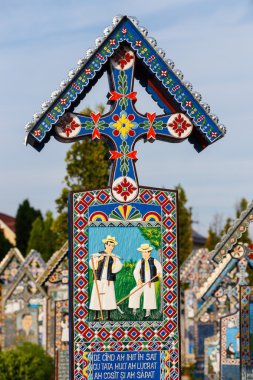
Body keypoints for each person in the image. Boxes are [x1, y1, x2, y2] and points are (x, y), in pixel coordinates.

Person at [89, 236, 122, 321]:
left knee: (108, 296)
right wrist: (98, 260)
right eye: (110, 245)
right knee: (97, 296)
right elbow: (92, 264)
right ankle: (96, 316)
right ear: (106, 245)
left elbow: (118, 267)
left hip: (108, 279)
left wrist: (114, 261)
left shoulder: (113, 256)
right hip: (99, 278)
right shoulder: (99, 254)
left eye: (112, 246)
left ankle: (108, 316)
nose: (111, 247)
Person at [129, 243, 162, 319]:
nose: (144, 254)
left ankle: (147, 313)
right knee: (133, 293)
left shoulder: (154, 261)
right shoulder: (140, 262)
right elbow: (136, 272)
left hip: (150, 283)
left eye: (145, 252)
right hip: (142, 282)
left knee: (149, 297)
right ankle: (134, 310)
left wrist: (159, 273)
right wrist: (138, 280)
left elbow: (159, 268)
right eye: (142, 252)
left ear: (149, 252)